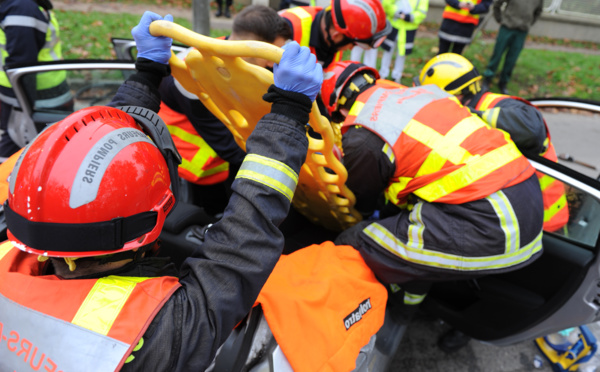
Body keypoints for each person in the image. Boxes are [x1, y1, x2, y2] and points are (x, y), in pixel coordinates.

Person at [0, 11, 323, 372]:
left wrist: (147, 72)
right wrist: (290, 113)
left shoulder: (14, 248)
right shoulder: (152, 335)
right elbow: (241, 251)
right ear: (149, 223)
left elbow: (96, 153)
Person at [320, 60, 544, 323]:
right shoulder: (422, 95)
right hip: (523, 200)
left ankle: (344, 323)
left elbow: (359, 202)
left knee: (355, 239)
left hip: (490, 225)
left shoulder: (363, 134)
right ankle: (405, 309)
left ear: (336, 109)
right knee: (407, 239)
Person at [418, 52, 569, 352]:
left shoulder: (498, 107)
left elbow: (532, 128)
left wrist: (465, 115)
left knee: (495, 278)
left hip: (543, 221)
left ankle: (470, 327)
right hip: (520, 212)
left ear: (461, 94)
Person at [158, 4, 292, 215]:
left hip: (218, 157)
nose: (272, 64)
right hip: (191, 167)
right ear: (251, 45)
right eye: (271, 54)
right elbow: (225, 143)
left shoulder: (229, 53)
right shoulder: (193, 72)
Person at [0, 0, 72, 158]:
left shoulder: (21, 7)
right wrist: (24, 109)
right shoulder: (22, 7)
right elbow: (23, 67)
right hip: (30, 100)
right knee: (21, 150)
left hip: (34, 97)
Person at [279, 0, 392, 69]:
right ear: (336, 35)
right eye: (353, 44)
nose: (351, 49)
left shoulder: (332, 42)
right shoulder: (286, 29)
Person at [482, 0, 544, 94]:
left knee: (512, 58)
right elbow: (497, 4)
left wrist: (528, 23)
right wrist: (500, 19)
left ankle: (503, 82)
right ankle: (488, 78)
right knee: (497, 54)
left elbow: (538, 11)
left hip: (522, 31)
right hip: (507, 27)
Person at [379, 0, 429, 82]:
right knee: (388, 50)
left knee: (402, 54)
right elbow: (386, 3)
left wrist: (409, 17)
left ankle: (397, 75)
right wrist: (396, 12)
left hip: (408, 29)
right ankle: (383, 74)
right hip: (394, 25)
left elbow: (422, 12)